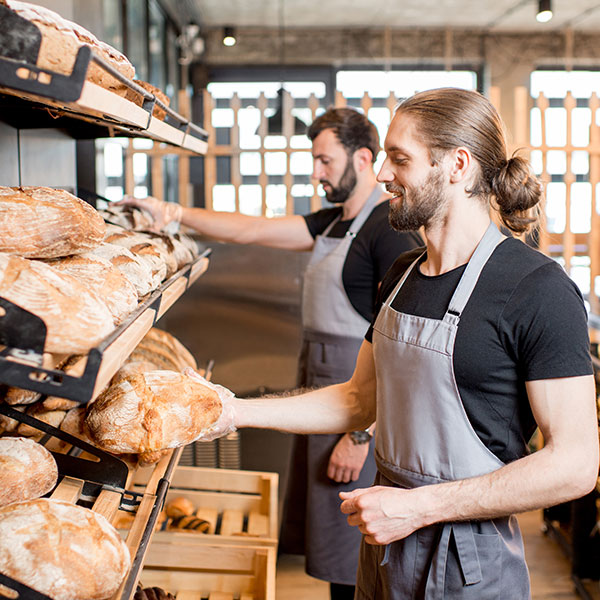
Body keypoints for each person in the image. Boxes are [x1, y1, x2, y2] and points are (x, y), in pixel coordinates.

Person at [189, 87, 599, 598]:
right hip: (383, 547)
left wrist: (419, 507)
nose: (381, 173)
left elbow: (576, 464)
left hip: (467, 562)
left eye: (399, 158)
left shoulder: (537, 288)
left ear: (457, 165)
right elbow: (358, 399)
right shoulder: (403, 274)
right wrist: (231, 412)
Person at [119, 107, 423, 599]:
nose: (316, 172)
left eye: (325, 161)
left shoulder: (387, 233)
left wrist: (360, 436)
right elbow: (252, 230)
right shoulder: (333, 223)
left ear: (363, 159)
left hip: (359, 409)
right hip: (324, 392)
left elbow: (402, 351)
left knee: (358, 544)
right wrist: (171, 214)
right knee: (333, 543)